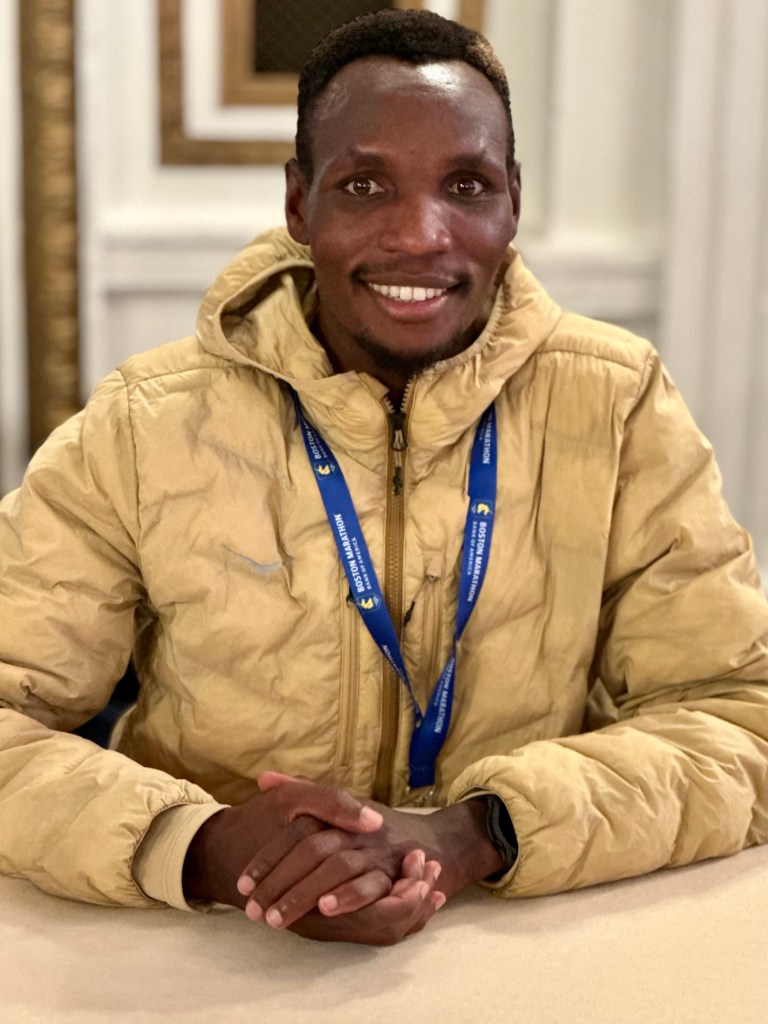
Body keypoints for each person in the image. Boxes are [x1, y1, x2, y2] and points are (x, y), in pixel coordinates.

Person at [1, 9, 767, 948]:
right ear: (299, 204)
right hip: (206, 951)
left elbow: (743, 720)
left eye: (467, 185)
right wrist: (201, 845)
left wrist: (479, 833)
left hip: (527, 945)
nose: (421, 235)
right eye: (364, 185)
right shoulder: (145, 422)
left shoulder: (616, 403)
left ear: (513, 204)